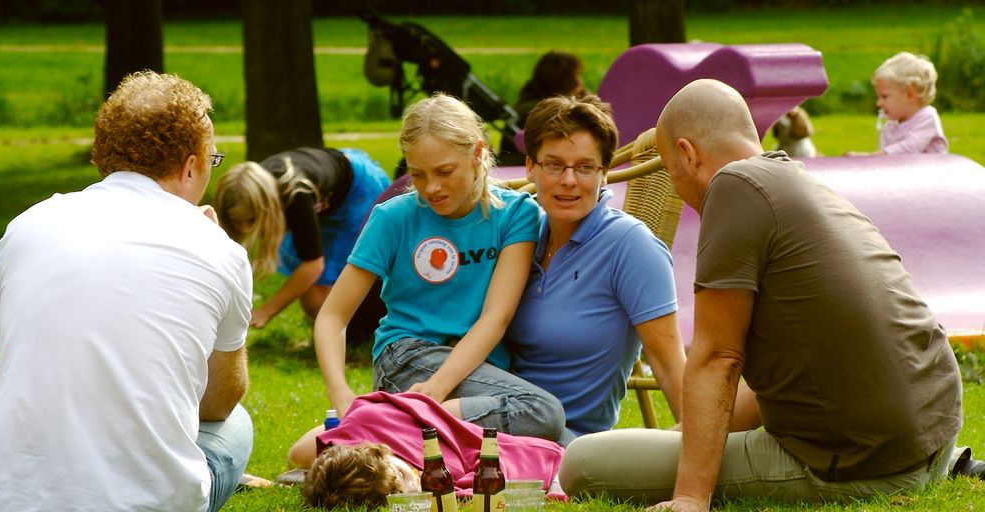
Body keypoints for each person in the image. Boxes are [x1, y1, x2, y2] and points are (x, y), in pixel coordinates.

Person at [558, 79, 964, 511]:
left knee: (584, 463)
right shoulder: (798, 182)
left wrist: (691, 496)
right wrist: (678, 440)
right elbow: (770, 381)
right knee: (656, 446)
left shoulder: (733, 187)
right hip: (931, 436)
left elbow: (718, 357)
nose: (678, 188)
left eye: (672, 173)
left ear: (688, 154)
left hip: (865, 465)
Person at [0, 71, 253, 511]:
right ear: (191, 164)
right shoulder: (219, 249)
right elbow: (218, 401)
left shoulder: (27, 226)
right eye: (213, 160)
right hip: (151, 501)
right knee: (237, 425)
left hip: (3, 497)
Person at [314, 93, 565, 442]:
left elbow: (497, 315)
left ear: (477, 153)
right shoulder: (393, 217)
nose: (431, 187)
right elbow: (333, 316)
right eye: (417, 174)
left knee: (555, 436)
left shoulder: (515, 214)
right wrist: (340, 392)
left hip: (474, 367)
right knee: (542, 413)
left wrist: (436, 391)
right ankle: (385, 425)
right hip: (407, 358)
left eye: (445, 171)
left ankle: (378, 429)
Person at [505, 95, 685, 445]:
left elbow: (669, 366)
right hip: (493, 415)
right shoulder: (522, 239)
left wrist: (698, 475)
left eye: (585, 167)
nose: (569, 180)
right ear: (530, 167)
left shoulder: (630, 246)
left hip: (568, 441)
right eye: (554, 165)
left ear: (604, 173)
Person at [212, 147, 390, 338]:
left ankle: (361, 331)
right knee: (314, 298)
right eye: (236, 222)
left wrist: (266, 311)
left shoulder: (297, 195)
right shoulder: (253, 189)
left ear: (266, 207)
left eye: (251, 220)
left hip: (358, 190)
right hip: (328, 189)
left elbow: (313, 265)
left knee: (323, 294)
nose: (245, 229)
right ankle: (338, 328)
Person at [288, 391, 565, 508]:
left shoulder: (370, 427)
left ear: (381, 452)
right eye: (406, 493)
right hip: (560, 457)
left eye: (402, 473)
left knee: (548, 416)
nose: (414, 480)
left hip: (456, 410)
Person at [498, 50, 589, 165]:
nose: (581, 82)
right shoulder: (549, 112)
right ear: (568, 81)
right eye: (578, 76)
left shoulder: (526, 105)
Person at [848, 51, 948, 155]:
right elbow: (885, 161)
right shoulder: (890, 126)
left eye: (884, 97)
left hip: (931, 170)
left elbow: (910, 148)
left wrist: (870, 157)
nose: (879, 103)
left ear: (910, 94)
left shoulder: (927, 117)